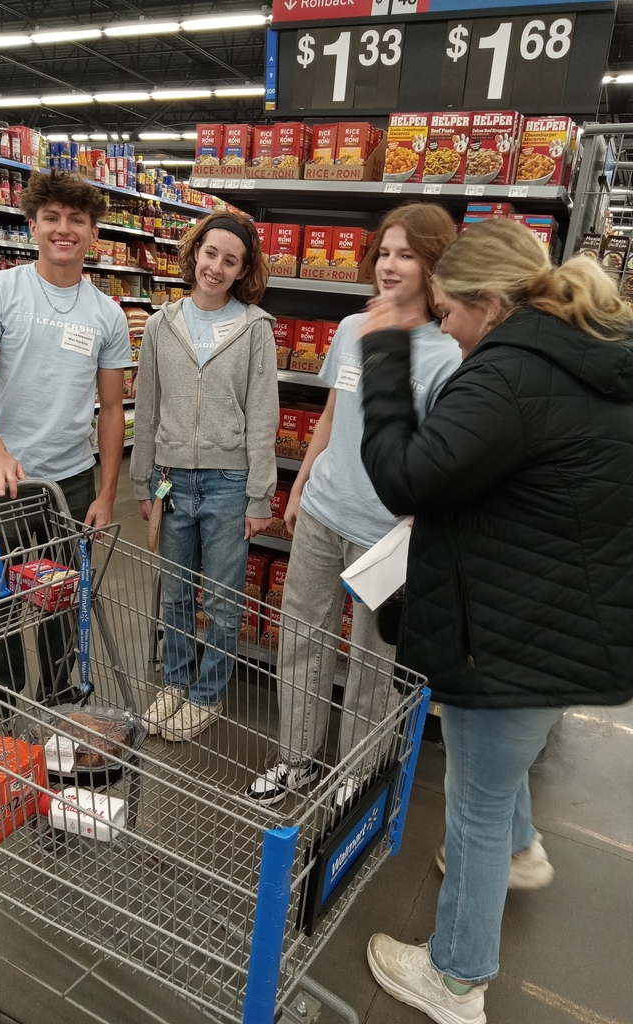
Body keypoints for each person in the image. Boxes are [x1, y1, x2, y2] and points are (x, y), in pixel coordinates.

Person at [358, 219, 633, 1024]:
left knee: (472, 806)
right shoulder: (593, 359)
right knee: (500, 782)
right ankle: (521, 852)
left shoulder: (509, 374)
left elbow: (407, 476)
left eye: (448, 310)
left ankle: (455, 979)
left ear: (488, 302)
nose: (442, 324)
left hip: (508, 633)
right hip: (565, 618)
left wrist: (385, 354)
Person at [246, 204, 460, 806]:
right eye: (385, 252)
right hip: (322, 511)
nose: (390, 266)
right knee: (300, 637)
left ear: (434, 265)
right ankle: (297, 760)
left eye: (407, 255)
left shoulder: (447, 353)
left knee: (372, 660)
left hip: (387, 533)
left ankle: (359, 772)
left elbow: (440, 459)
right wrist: (305, 482)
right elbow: (335, 413)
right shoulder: (349, 329)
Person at [0, 169, 131, 729]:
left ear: (92, 233)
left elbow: (110, 411)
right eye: (52, 218)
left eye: (76, 220)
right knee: (2, 604)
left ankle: (60, 705)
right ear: (32, 225)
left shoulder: (107, 315)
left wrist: (107, 494)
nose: (64, 229)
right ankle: (0, 713)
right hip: (6, 481)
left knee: (63, 602)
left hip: (73, 481)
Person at [131, 212, 278, 743]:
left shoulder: (255, 328)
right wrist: (142, 480)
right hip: (171, 479)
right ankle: (172, 683)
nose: (216, 267)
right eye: (210, 253)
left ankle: (207, 694)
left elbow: (263, 416)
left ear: (243, 271)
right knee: (173, 592)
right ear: (194, 253)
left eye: (230, 260)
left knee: (219, 597)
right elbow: (146, 408)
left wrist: (260, 495)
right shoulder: (158, 324)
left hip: (228, 484)